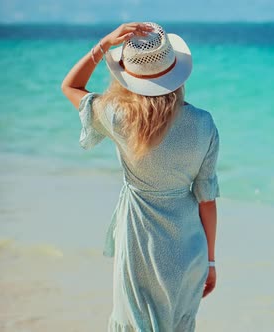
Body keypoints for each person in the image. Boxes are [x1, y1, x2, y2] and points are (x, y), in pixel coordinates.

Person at [61, 22, 219, 331]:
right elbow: (207, 201)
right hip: (190, 247)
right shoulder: (204, 123)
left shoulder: (118, 116)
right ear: (176, 71)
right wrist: (210, 262)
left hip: (140, 242)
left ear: (129, 76)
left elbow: (70, 87)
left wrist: (104, 44)